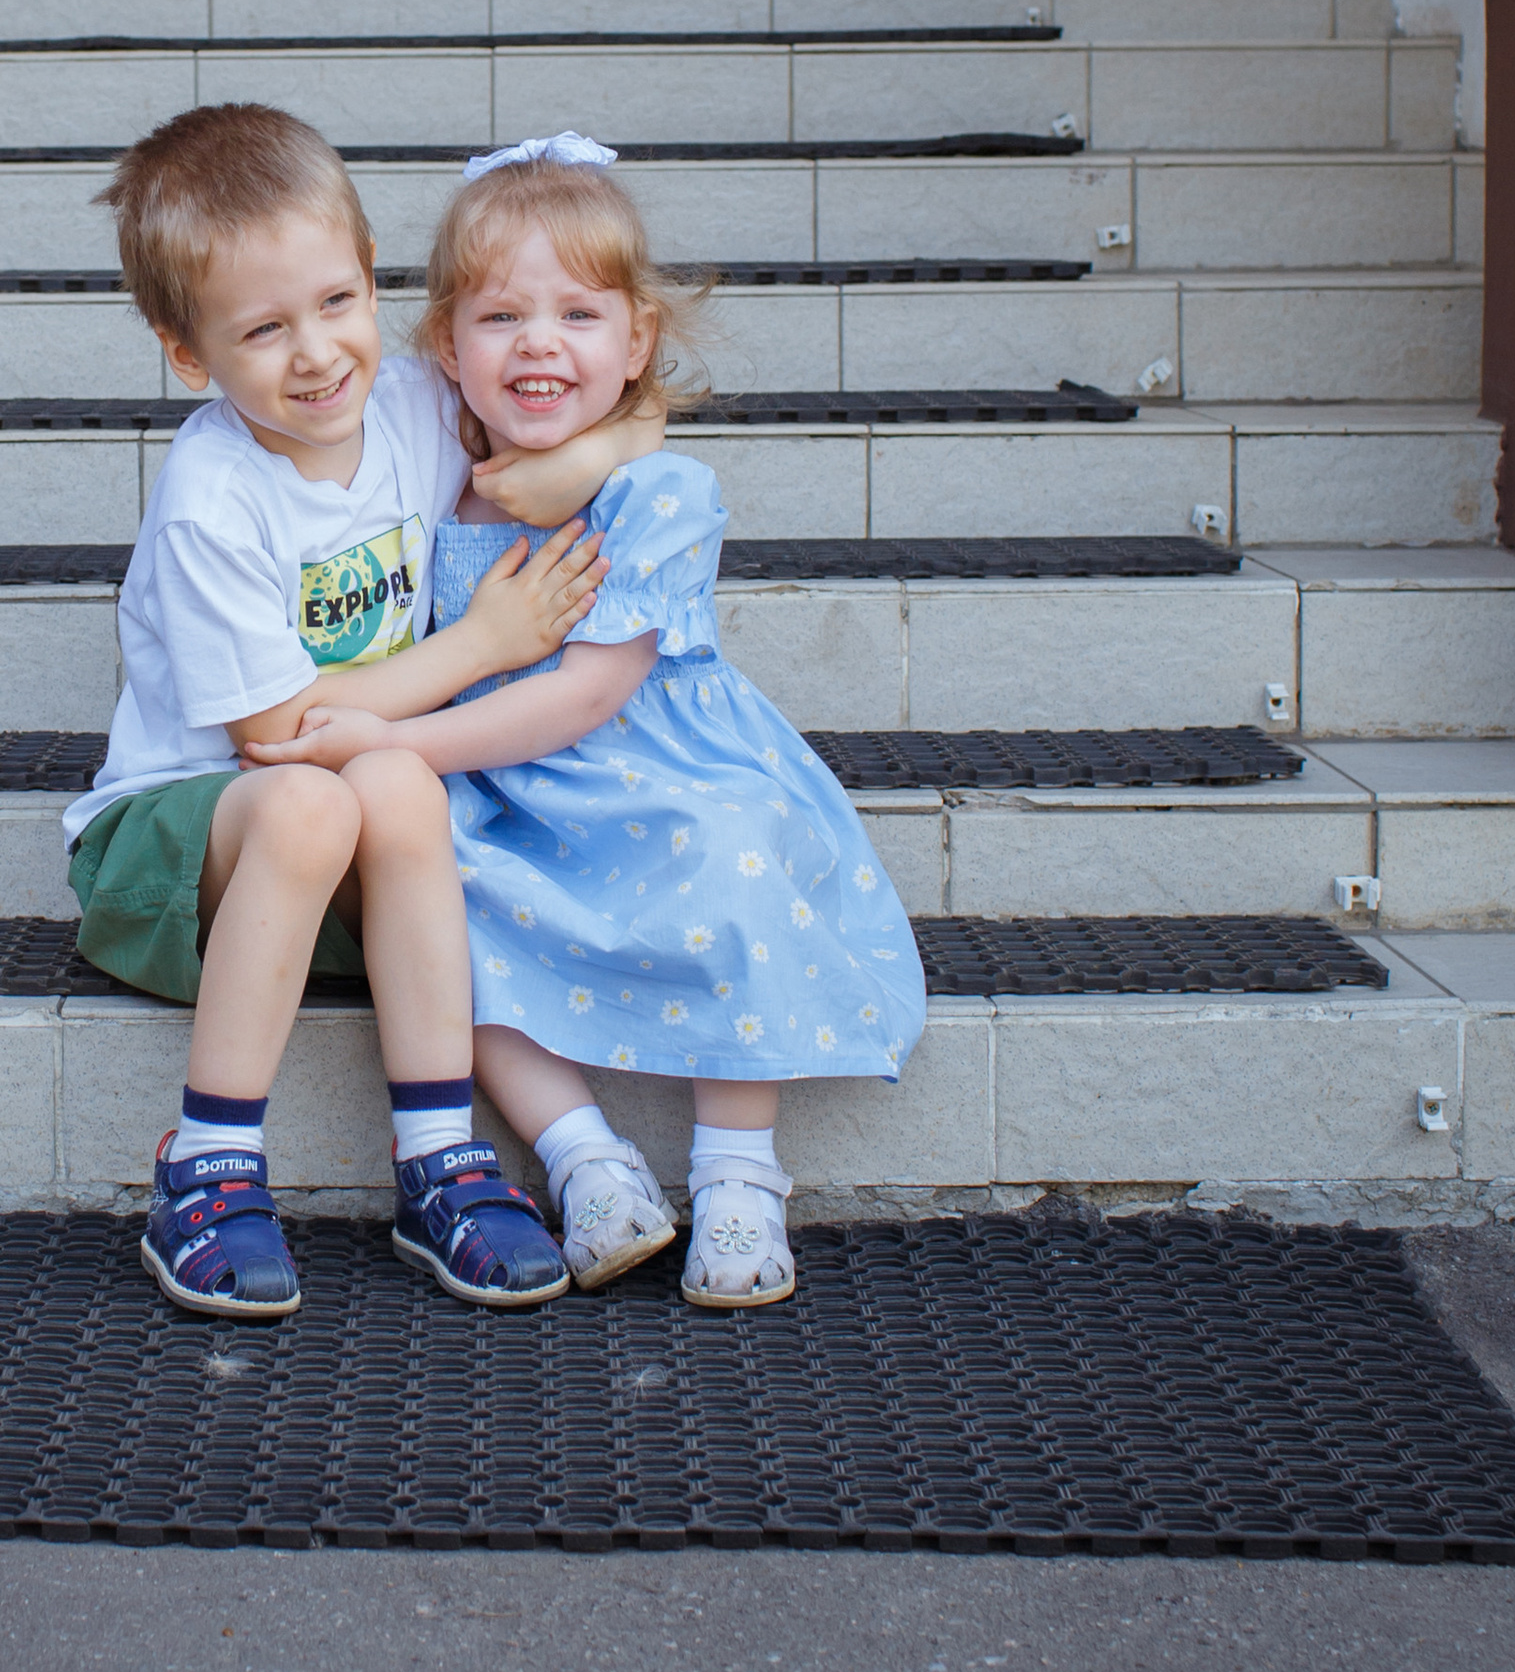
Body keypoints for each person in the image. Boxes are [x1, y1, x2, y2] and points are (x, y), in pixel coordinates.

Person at [245, 136, 927, 1308]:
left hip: (656, 763)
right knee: (437, 901)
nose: (539, 343)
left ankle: (738, 1172)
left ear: (636, 341)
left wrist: (390, 742)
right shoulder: (435, 486)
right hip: (503, 785)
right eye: (501, 317)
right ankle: (583, 1159)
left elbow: (589, 693)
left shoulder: (663, 491)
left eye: (577, 314)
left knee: (730, 848)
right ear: (446, 347)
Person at [64, 102, 648, 1320]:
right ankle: (207, 1165)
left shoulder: (415, 407)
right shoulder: (213, 496)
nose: (317, 353)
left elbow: (602, 405)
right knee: (313, 802)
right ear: (187, 353)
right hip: (173, 851)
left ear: (374, 279)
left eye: (337, 302)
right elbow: (278, 738)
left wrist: (599, 451)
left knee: (390, 782)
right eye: (262, 329)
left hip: (349, 839)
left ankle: (438, 1157)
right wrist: (484, 644)